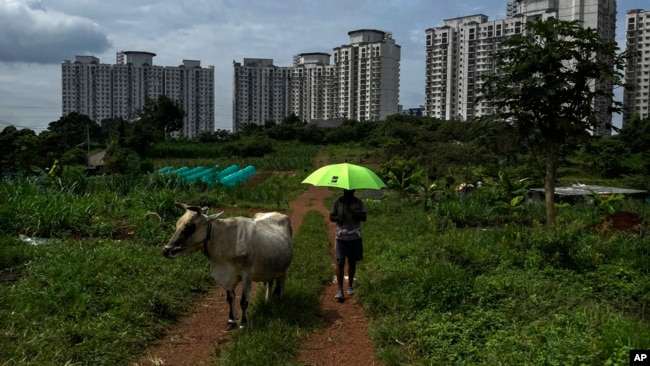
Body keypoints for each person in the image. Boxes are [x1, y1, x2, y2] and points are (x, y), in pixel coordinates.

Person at [329, 189, 367, 301]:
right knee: (340, 262)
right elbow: (331, 217)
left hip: (355, 236)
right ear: (343, 191)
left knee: (352, 261)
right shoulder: (338, 202)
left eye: (350, 191)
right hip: (341, 237)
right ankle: (340, 290)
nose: (347, 193)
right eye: (346, 191)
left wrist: (353, 212)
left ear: (353, 191)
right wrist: (338, 218)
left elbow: (364, 218)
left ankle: (350, 286)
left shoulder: (359, 203)